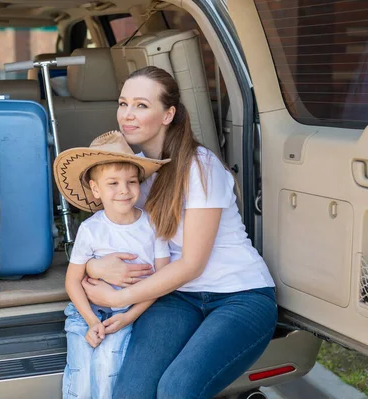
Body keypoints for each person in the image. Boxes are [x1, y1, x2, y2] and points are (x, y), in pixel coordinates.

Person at [80, 66, 278, 399]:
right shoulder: (133, 175)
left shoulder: (200, 166)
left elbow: (192, 265)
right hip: (176, 297)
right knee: (132, 392)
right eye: (123, 103)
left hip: (240, 296)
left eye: (141, 105)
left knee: (177, 388)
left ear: (168, 114)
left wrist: (119, 299)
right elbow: (104, 237)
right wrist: (93, 266)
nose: (127, 115)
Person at [53, 131, 171, 399]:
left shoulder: (153, 225)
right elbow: (73, 281)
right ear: (96, 189)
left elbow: (162, 280)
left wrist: (129, 316)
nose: (124, 190)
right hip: (85, 313)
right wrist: (91, 320)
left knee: (108, 374)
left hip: (127, 313)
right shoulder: (90, 229)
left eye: (131, 182)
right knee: (80, 383)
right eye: (113, 183)